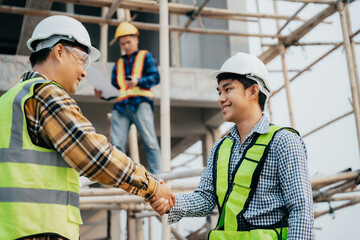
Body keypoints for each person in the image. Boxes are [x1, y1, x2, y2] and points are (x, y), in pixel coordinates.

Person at [0, 15, 174, 240]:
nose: (84, 72)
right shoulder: (45, 93)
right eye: (82, 60)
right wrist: (151, 186)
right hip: (40, 230)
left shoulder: (8, 100)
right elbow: (94, 154)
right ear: (59, 51)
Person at [151, 52, 314, 239]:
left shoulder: (283, 141)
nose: (220, 98)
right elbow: (205, 199)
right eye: (219, 92)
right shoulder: (220, 148)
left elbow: (300, 208)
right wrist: (170, 202)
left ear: (253, 91)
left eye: (227, 90)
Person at [94, 22, 161, 175]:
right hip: (121, 106)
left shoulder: (146, 56)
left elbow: (155, 78)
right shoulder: (119, 63)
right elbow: (115, 90)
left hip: (140, 103)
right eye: (122, 43)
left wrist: (138, 82)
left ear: (136, 39)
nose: (125, 46)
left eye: (128, 42)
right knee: (116, 145)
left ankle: (158, 175)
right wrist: (102, 94)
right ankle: (120, 175)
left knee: (150, 141)